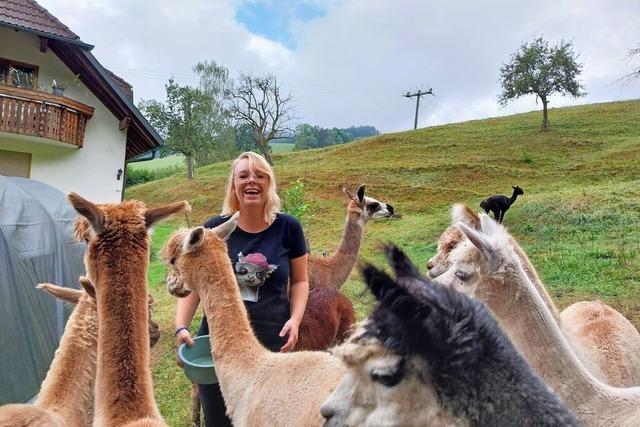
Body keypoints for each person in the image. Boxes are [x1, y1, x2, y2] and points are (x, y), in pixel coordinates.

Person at [174, 151, 309, 427]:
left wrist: (295, 320)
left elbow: (299, 281)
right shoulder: (213, 229)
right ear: (233, 184)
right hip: (218, 344)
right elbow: (195, 284)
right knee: (218, 419)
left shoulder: (289, 228)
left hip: (273, 342)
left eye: (260, 175)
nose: (252, 181)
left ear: (269, 183)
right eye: (243, 175)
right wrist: (181, 327)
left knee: (269, 419)